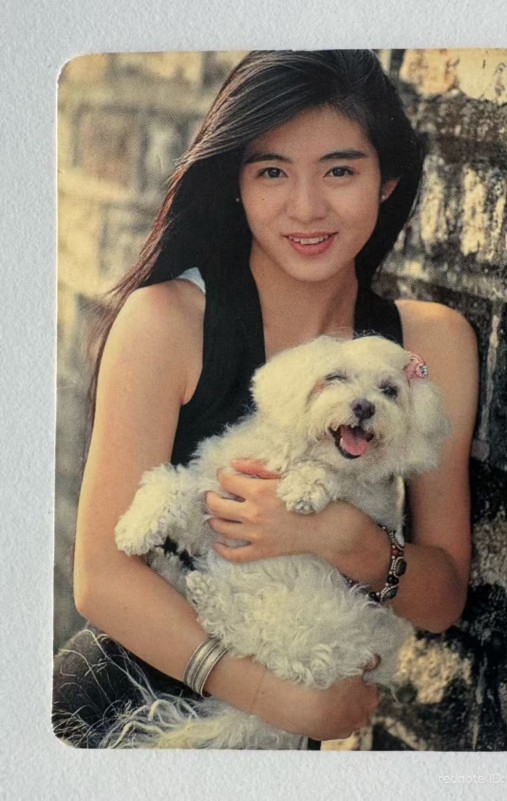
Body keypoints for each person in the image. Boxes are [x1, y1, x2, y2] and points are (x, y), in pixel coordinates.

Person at [53, 49, 478, 748]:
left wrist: (345, 538)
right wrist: (279, 700)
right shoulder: (168, 321)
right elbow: (101, 578)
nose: (306, 207)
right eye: (272, 171)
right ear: (238, 184)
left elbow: (442, 600)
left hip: (269, 739)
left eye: (339, 171)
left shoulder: (429, 347)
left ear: (387, 181)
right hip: (120, 713)